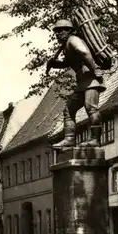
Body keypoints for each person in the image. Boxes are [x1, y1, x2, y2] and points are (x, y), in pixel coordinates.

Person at [46, 19, 106, 148]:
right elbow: (69, 63)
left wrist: (95, 69)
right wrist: (55, 64)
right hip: (82, 81)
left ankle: (96, 140)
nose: (57, 34)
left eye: (60, 31)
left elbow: (84, 52)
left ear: (68, 31)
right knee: (69, 110)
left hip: (91, 79)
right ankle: (69, 139)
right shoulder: (66, 45)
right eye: (56, 32)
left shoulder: (73, 40)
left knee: (91, 108)